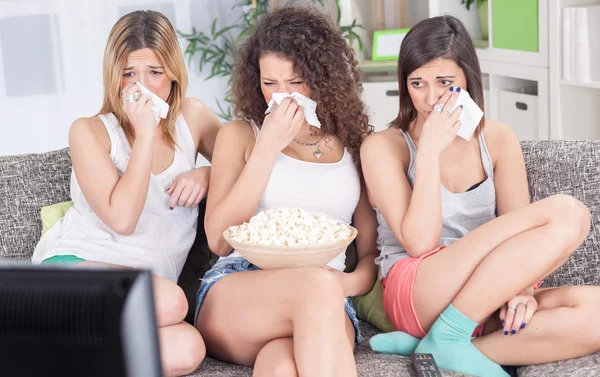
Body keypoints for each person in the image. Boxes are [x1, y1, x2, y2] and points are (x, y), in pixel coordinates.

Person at [361, 15, 597, 377]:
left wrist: (523, 291)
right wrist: (429, 154)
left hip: (483, 297)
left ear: (467, 79)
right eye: (417, 83)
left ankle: (445, 346)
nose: (430, 98)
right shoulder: (383, 146)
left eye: (444, 82)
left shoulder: (498, 139)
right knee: (566, 212)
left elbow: (523, 238)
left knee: (594, 313)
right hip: (418, 289)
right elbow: (420, 244)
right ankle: (449, 334)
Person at [31, 10, 221, 377]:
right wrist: (146, 134)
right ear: (114, 76)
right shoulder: (89, 132)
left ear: (174, 74)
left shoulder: (193, 117)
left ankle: (60, 356)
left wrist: (208, 173)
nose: (143, 87)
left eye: (155, 73)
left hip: (141, 296)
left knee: (189, 347)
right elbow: (123, 219)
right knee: (172, 302)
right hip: (78, 268)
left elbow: (242, 164)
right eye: (129, 74)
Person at [194, 5, 379, 377]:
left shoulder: (355, 145)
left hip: (326, 294)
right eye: (270, 83)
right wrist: (267, 147)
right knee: (315, 287)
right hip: (241, 287)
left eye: (295, 82)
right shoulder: (240, 136)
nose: (283, 96)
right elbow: (218, 240)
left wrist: (339, 284)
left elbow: (370, 255)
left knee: (281, 367)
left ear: (324, 78)